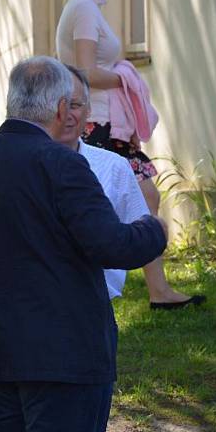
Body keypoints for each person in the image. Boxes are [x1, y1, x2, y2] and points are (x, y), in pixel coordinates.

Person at [0, 56, 167, 432]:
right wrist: (153, 227)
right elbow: (112, 244)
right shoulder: (63, 162)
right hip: (65, 356)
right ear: (61, 108)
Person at [56, 0, 204, 310]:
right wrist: (127, 75)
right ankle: (144, 287)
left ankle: (157, 290)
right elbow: (84, 72)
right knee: (139, 195)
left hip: (106, 120)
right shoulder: (85, 9)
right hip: (98, 122)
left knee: (144, 194)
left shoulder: (90, 7)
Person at [56, 64, 150, 299]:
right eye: (58, 104)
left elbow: (140, 228)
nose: (67, 113)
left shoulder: (114, 166)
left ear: (88, 111)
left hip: (97, 299)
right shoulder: (24, 165)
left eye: (75, 105)